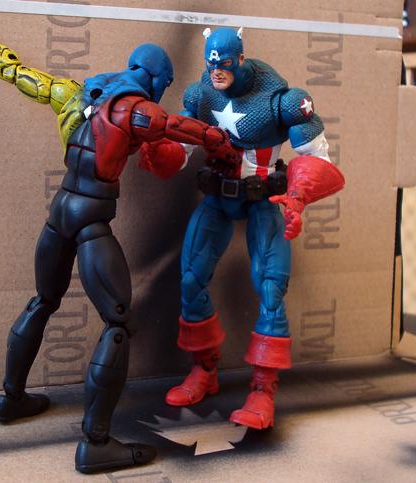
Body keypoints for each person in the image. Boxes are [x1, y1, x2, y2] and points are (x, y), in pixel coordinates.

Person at [0, 20, 239, 474]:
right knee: (118, 321)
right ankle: (95, 443)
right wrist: (222, 143)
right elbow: (178, 127)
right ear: (157, 79)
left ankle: (10, 399)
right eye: (164, 84)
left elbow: (16, 73)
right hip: (90, 220)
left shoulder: (75, 92)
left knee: (43, 300)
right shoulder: (137, 110)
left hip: (59, 213)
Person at [146, 26, 345, 430]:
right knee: (190, 278)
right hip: (218, 197)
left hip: (263, 199)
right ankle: (204, 371)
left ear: (240, 58)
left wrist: (298, 197)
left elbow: (318, 157)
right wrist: (154, 150)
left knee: (270, 288)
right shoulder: (201, 94)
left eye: (224, 64)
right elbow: (180, 147)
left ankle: (263, 388)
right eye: (211, 65)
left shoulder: (282, 100)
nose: (216, 71)